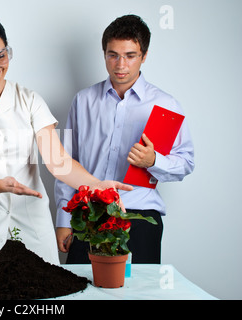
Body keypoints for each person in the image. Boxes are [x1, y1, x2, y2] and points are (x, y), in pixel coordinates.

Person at [0, 14, 132, 265]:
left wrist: (96, 185)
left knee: (41, 294)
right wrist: (1, 185)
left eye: (0, 56)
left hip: (30, 221)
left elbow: (58, 161)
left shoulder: (30, 100)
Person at [55, 14, 195, 264]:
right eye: (112, 55)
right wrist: (63, 220)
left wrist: (154, 160)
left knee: (138, 292)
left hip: (140, 218)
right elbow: (65, 162)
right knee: (81, 291)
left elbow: (186, 164)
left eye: (130, 56)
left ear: (144, 55)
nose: (120, 64)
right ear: (104, 53)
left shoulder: (166, 104)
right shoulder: (83, 100)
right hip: (89, 213)